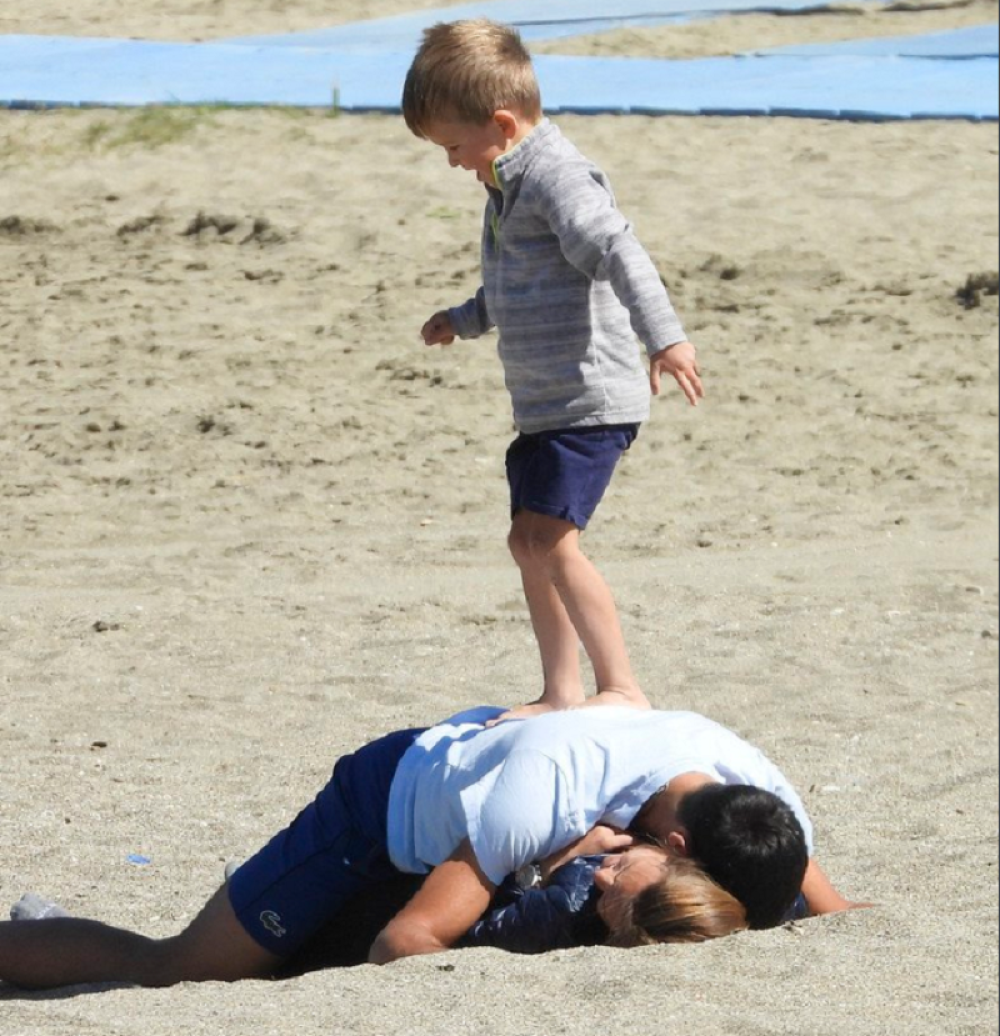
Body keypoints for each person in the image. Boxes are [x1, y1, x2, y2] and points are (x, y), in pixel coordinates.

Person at [0, 706, 858, 990]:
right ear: (672, 843)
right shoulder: (548, 793)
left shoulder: (758, 809)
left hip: (483, 794)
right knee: (189, 968)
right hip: (384, 807)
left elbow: (826, 914)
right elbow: (404, 946)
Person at [404, 20, 705, 718]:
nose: (451, 161)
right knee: (524, 541)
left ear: (502, 124)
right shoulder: (507, 178)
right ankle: (561, 691)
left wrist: (666, 338)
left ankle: (622, 686)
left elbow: (621, 252)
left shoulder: (558, 179)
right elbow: (520, 283)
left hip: (592, 400)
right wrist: (466, 317)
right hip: (546, 404)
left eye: (452, 145)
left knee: (549, 539)